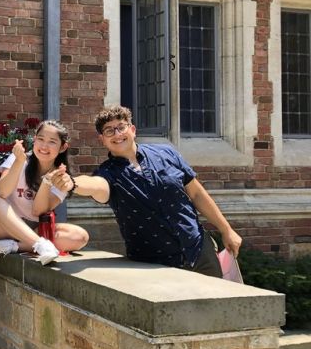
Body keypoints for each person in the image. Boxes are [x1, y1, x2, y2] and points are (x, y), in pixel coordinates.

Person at [55, 105, 242, 276]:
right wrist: (72, 183)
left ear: (132, 130)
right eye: (109, 131)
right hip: (155, 266)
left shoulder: (167, 153)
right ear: (102, 139)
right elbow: (95, 185)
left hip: (200, 252)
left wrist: (226, 230)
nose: (117, 134)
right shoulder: (108, 174)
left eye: (121, 127)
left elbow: (197, 194)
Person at [0, 120, 89, 262]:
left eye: (52, 142)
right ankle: (40, 245)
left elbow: (38, 211)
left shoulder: (62, 178)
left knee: (80, 236)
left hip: (33, 229)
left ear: (63, 147)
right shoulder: (18, 158)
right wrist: (19, 162)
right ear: (34, 140)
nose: (44, 146)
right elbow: (2, 192)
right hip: (1, 226)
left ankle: (15, 246)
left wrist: (47, 181)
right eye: (41, 139)